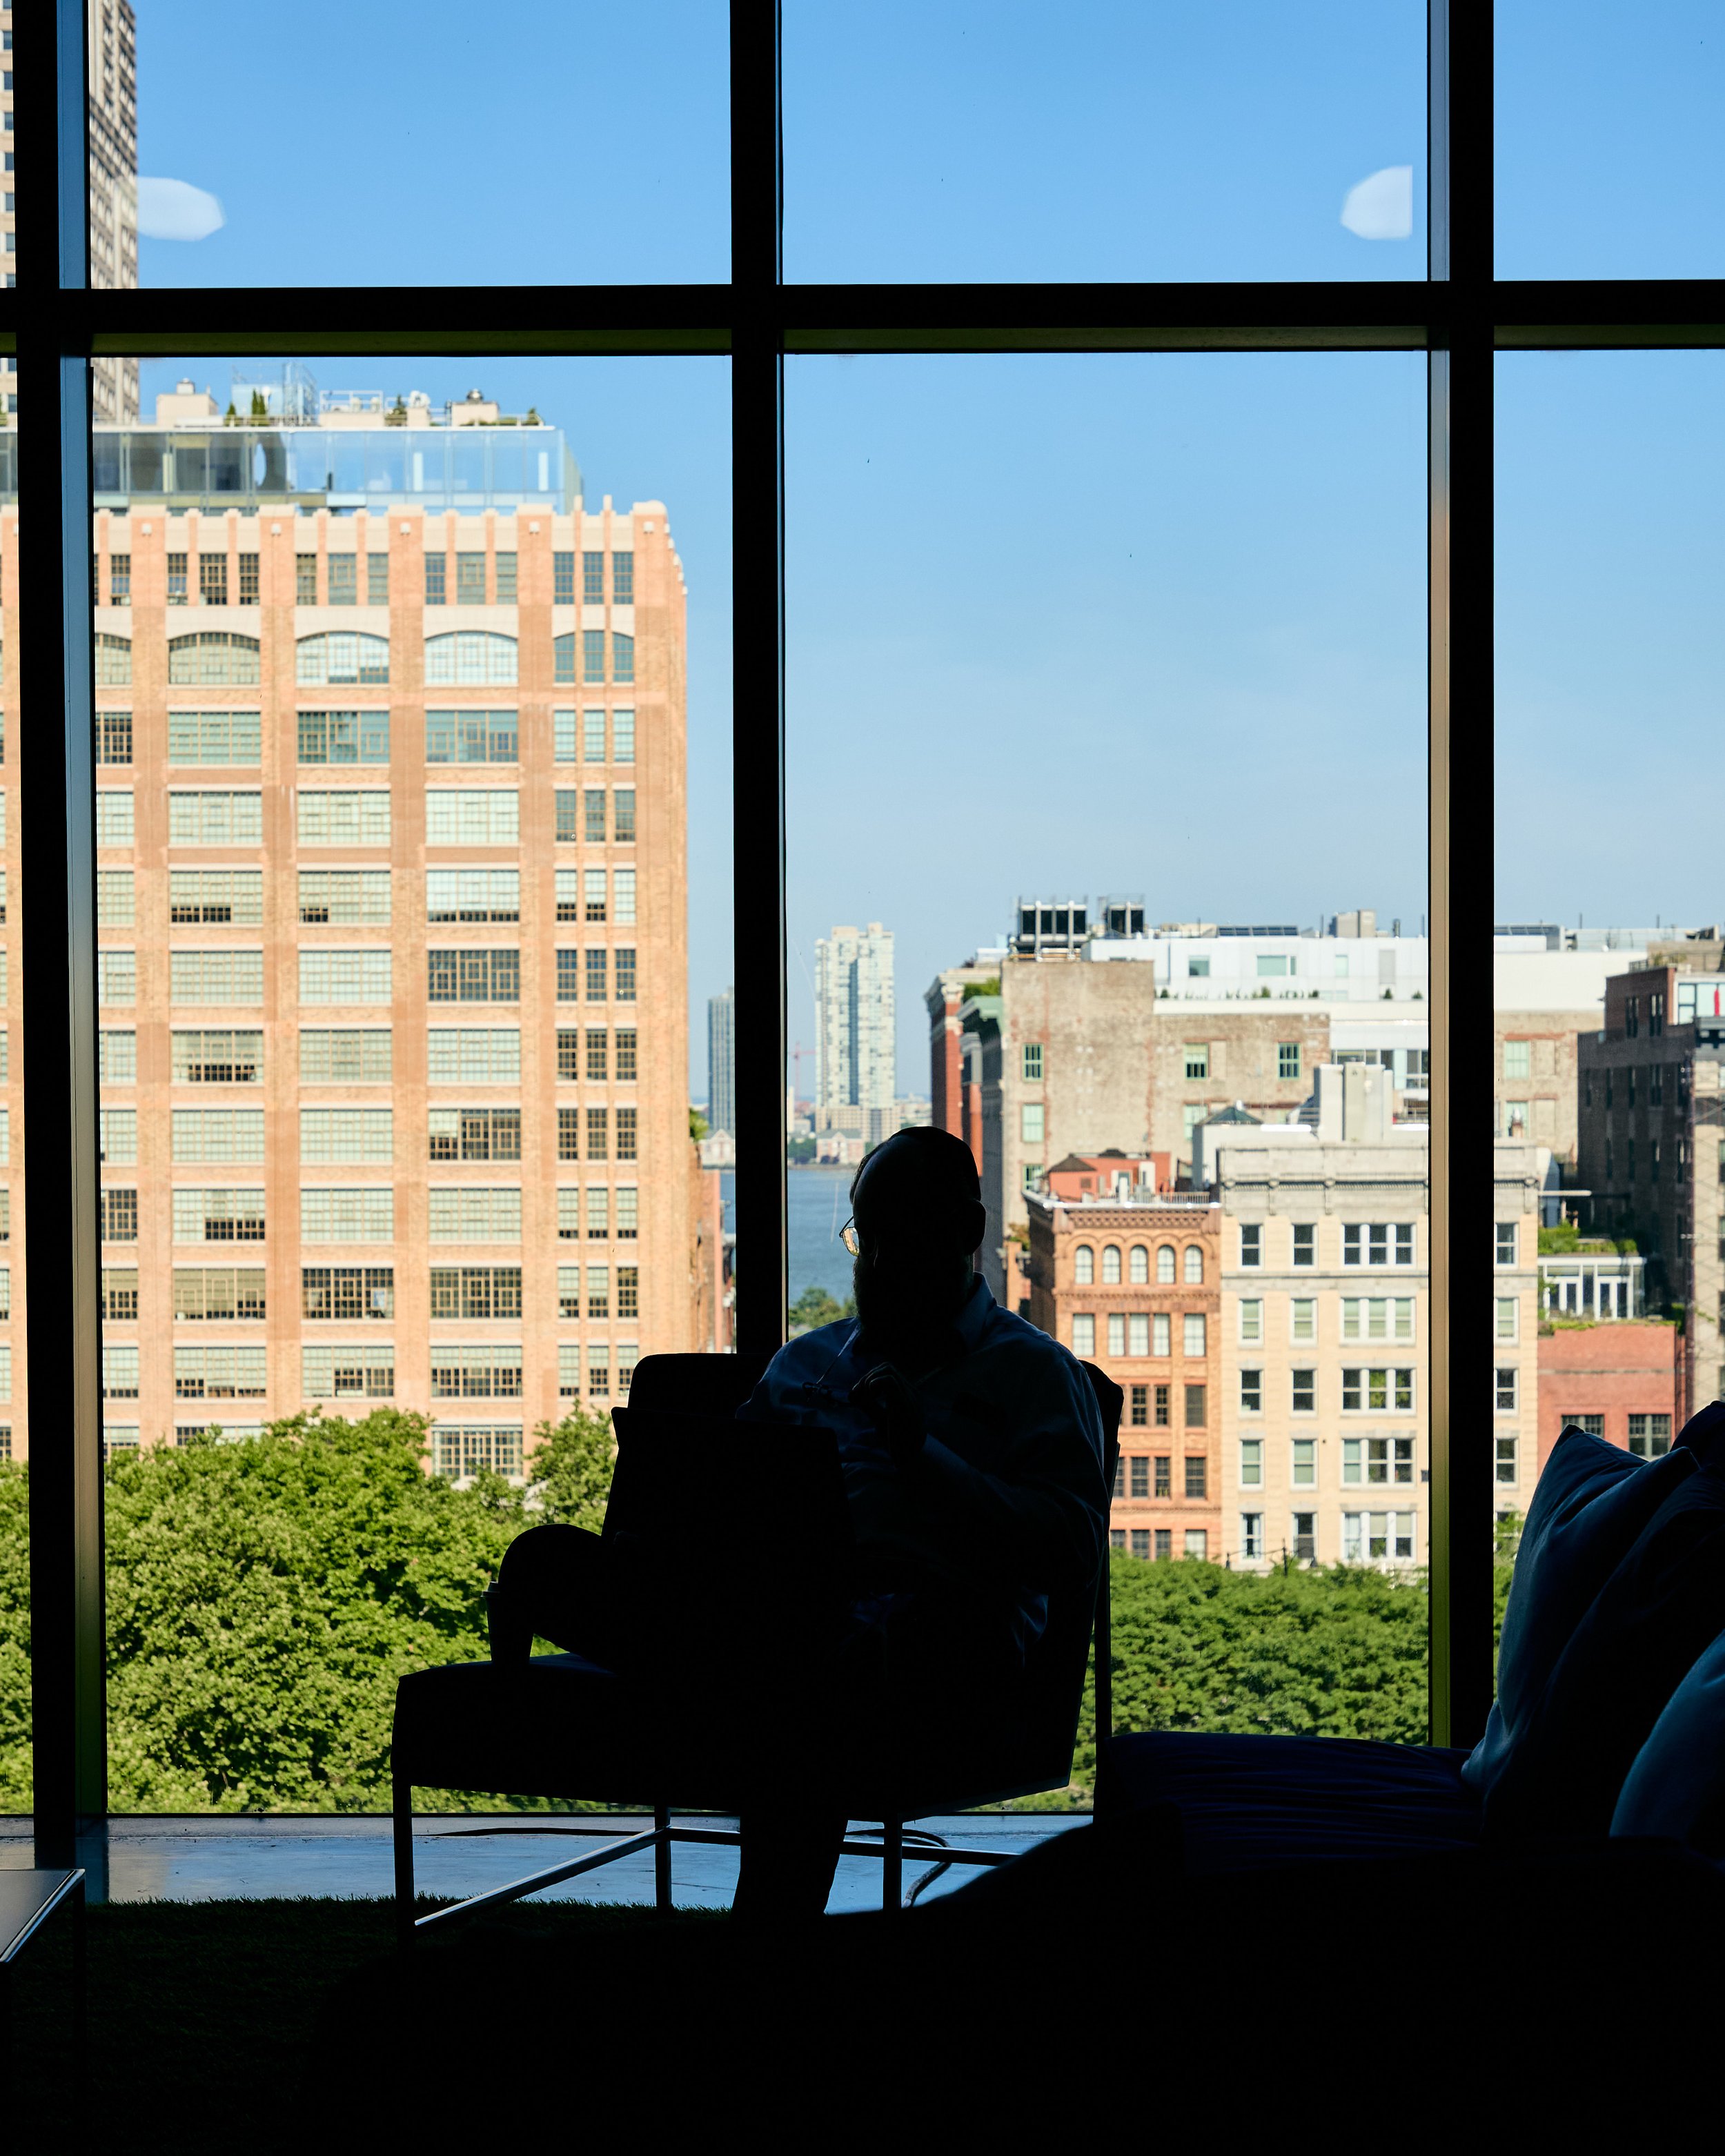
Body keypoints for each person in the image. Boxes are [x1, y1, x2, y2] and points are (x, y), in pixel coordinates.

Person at [490, 1123, 1108, 1917]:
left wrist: (924, 1455)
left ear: (965, 1234)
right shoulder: (806, 1363)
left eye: (901, 1236)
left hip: (939, 1631)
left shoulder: (1035, 1374)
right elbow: (718, 1497)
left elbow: (1070, 1549)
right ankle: (763, 1673)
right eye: (865, 1236)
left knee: (817, 1673)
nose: (875, 1263)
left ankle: (766, 1927)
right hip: (773, 1612)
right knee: (546, 1557)